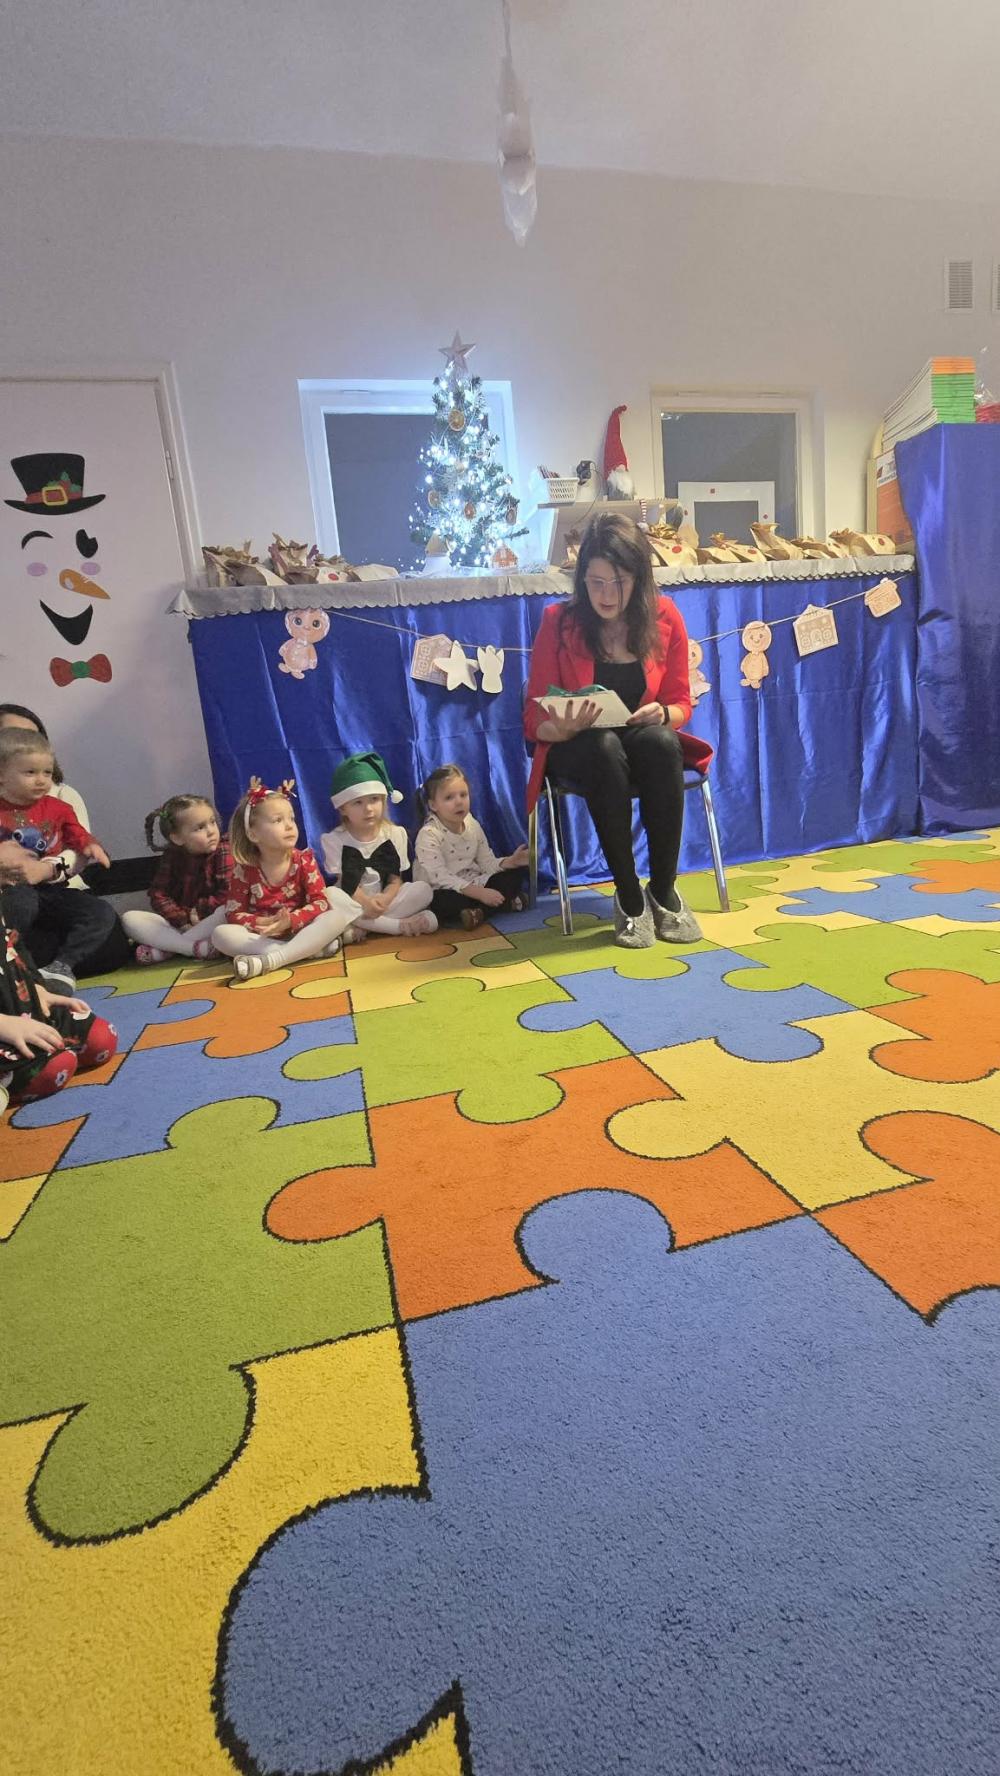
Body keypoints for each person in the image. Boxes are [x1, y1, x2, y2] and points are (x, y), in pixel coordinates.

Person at [523, 511, 712, 950]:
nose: (606, 595)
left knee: (662, 742)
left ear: (639, 579)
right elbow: (533, 718)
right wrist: (561, 727)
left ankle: (663, 890)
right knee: (603, 747)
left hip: (641, 738)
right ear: (582, 580)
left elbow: (681, 703)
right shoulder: (559, 621)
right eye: (596, 582)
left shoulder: (665, 616)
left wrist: (663, 714)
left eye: (619, 582)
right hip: (580, 747)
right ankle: (628, 896)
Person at [0, 701, 131, 976]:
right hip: (12, 899)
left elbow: (77, 844)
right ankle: (19, 971)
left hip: (56, 891)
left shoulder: (61, 798)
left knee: (106, 931)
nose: (25, 746)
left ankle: (59, 969)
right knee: (21, 914)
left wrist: (49, 867)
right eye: (13, 738)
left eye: (32, 738)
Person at [212, 777, 359, 981]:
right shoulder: (244, 870)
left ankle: (272, 960)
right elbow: (233, 913)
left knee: (335, 917)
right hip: (264, 935)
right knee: (220, 934)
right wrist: (262, 922)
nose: (289, 826)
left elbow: (320, 902)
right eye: (278, 821)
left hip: (301, 930)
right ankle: (304, 951)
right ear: (253, 835)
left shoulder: (304, 860)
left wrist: (291, 920)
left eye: (291, 819)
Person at [0, 893, 117, 1111]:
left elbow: (15, 949)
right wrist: (4, 1025)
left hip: (22, 1007)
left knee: (100, 1038)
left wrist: (38, 990)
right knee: (53, 1069)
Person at [320, 752, 437, 942]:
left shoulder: (395, 833)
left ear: (383, 801)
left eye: (374, 799)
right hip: (355, 899)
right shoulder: (334, 840)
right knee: (330, 896)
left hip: (386, 900)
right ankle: (398, 926)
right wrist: (366, 903)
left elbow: (395, 880)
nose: (368, 809)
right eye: (358, 802)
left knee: (423, 890)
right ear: (343, 808)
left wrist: (385, 899)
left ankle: (364, 926)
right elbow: (346, 883)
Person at [414, 763, 529, 929]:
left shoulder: (471, 823)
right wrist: (480, 893)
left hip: (474, 882)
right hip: (444, 888)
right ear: (433, 805)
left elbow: (487, 863)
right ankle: (504, 904)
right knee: (443, 903)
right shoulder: (429, 834)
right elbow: (439, 877)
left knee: (514, 875)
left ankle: (480, 912)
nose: (459, 802)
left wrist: (511, 862)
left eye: (463, 795)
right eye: (449, 798)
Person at [122, 795, 232, 963]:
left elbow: (228, 892)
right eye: (200, 828)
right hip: (180, 924)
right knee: (129, 918)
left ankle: (168, 949)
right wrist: (181, 920)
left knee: (225, 912)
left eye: (212, 822)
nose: (211, 831)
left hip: (209, 921)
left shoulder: (224, 850)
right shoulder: (172, 856)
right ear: (177, 838)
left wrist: (200, 910)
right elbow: (158, 894)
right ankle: (193, 948)